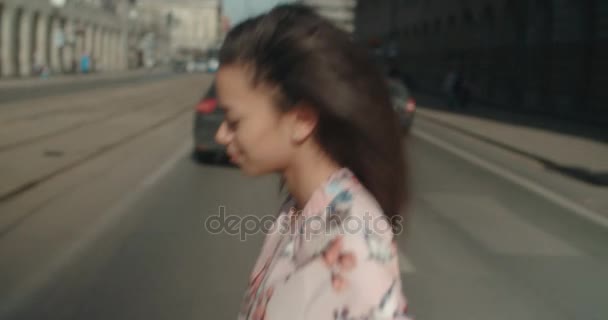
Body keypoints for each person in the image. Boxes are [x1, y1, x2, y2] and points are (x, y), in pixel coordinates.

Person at [214, 5, 412, 320]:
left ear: (301, 119)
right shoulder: (302, 207)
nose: (221, 135)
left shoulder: (352, 248)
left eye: (234, 120)